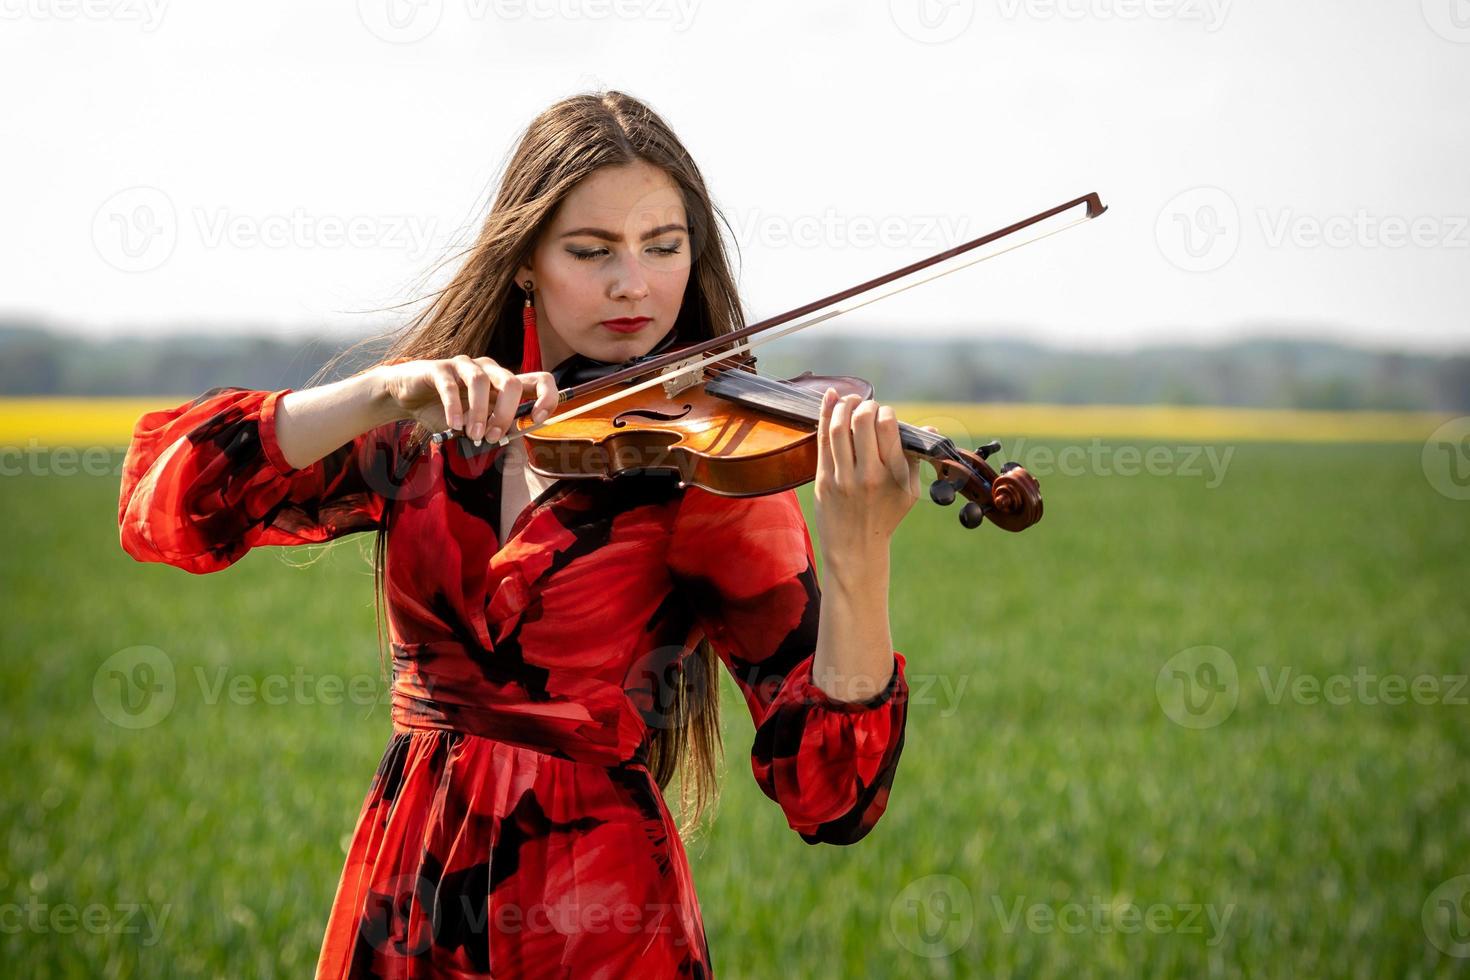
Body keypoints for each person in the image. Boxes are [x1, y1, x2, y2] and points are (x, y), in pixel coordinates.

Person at [117, 90, 930, 978]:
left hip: (599, 917)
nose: (635, 284)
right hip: (410, 897)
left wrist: (860, 559)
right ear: (525, 263)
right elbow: (174, 508)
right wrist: (384, 392)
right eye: (593, 251)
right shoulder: (428, 435)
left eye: (665, 247)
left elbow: (832, 797)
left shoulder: (711, 471)